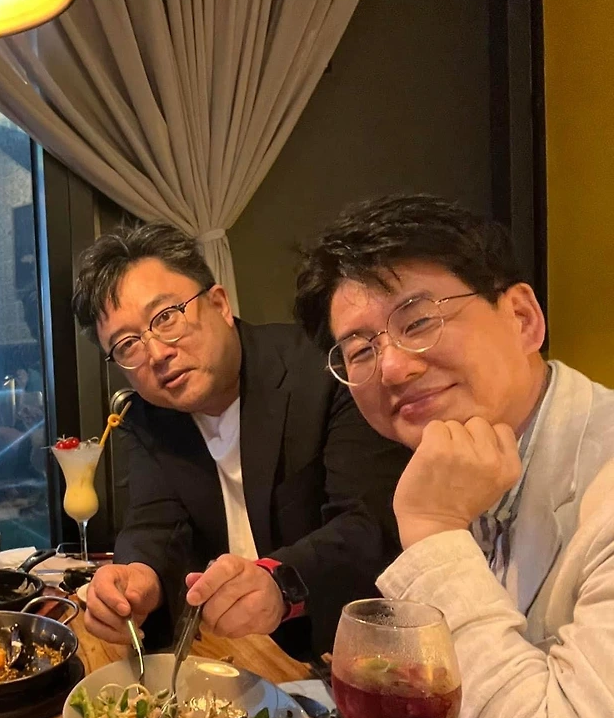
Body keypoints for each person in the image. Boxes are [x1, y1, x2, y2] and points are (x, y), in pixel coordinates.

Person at [294, 194, 614, 718]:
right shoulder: (459, 454)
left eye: (418, 319)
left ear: (523, 318)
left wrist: (435, 531)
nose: (391, 367)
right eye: (359, 349)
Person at [73, 222, 410, 659]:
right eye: (127, 344)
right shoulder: (147, 417)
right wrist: (138, 579)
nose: (156, 353)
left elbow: (368, 524)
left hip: (351, 650)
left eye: (166, 317)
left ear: (219, 304)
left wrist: (279, 582)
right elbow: (153, 523)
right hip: (239, 655)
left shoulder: (325, 370)